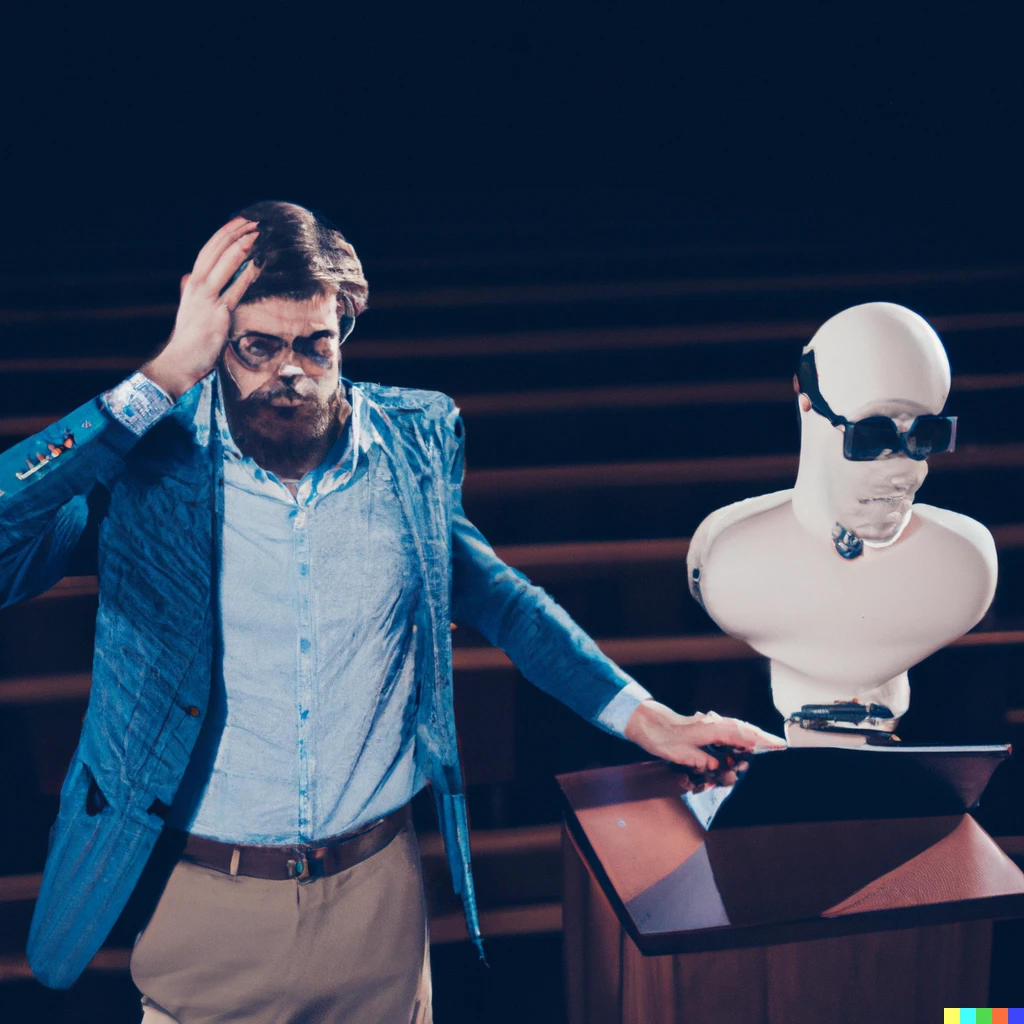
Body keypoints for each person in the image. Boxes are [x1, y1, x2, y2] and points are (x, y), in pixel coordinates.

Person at [2, 201, 784, 1022]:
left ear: (346, 326)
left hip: (377, 907)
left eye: (313, 343)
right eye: (256, 348)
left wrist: (649, 721)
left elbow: (497, 596)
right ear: (216, 343)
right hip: (203, 906)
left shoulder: (414, 442)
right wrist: (161, 378)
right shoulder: (144, 462)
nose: (289, 372)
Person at [687, 301, 997, 745]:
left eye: (925, 436)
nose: (910, 470)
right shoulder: (728, 561)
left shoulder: (965, 565)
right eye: (874, 435)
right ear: (808, 404)